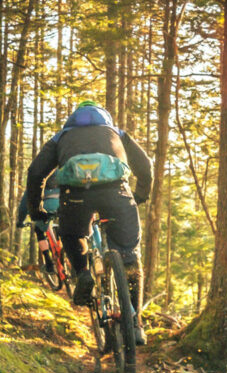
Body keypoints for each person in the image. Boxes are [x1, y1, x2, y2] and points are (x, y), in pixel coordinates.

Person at [25, 100, 153, 345]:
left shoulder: (61, 137)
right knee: (130, 257)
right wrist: (140, 196)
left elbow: (35, 173)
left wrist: (37, 211)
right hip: (116, 193)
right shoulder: (116, 133)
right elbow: (145, 165)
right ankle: (135, 324)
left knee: (71, 234)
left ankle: (83, 273)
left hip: (75, 197)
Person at [16, 171, 60, 274]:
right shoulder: (61, 174)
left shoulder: (35, 180)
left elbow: (23, 206)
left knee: (39, 230)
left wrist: (20, 221)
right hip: (63, 205)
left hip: (46, 208)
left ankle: (49, 264)